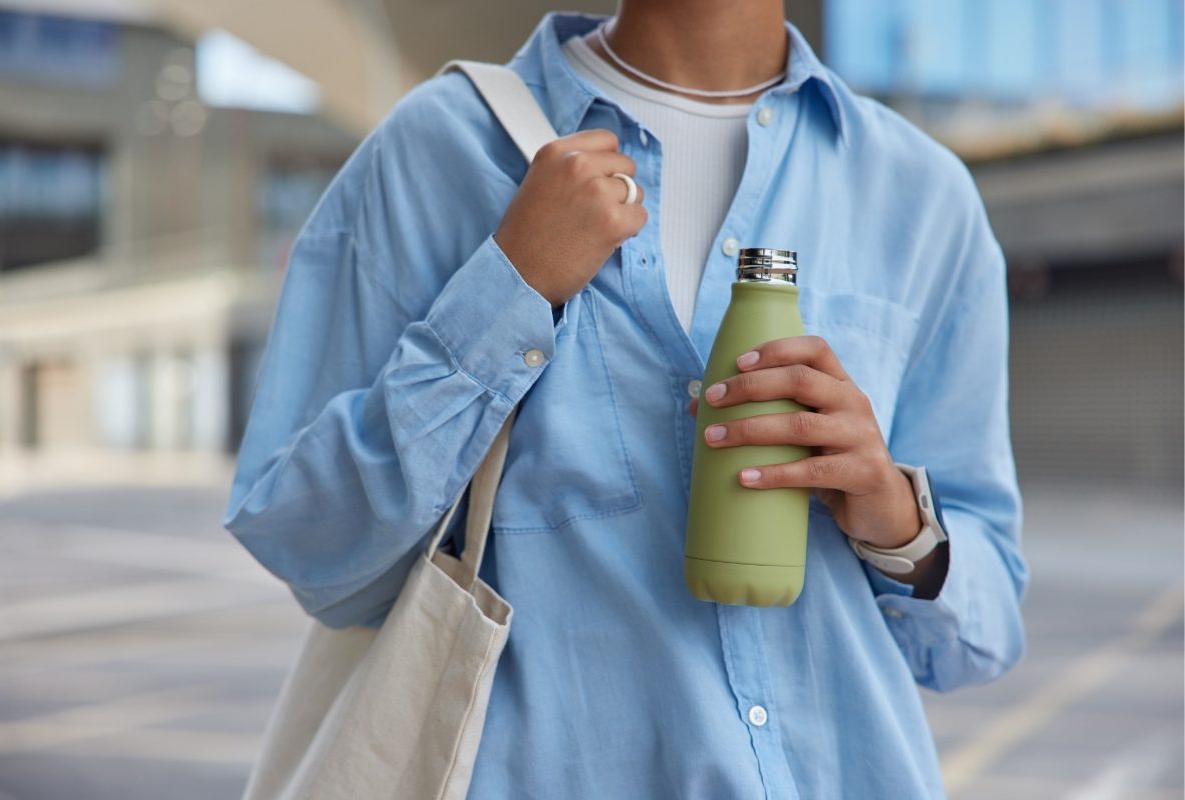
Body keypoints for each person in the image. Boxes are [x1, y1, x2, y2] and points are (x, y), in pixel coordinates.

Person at [224, 3, 1029, 798]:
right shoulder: (437, 150)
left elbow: (980, 633)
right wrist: (509, 288)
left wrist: (892, 513)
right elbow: (314, 555)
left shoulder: (921, 196)